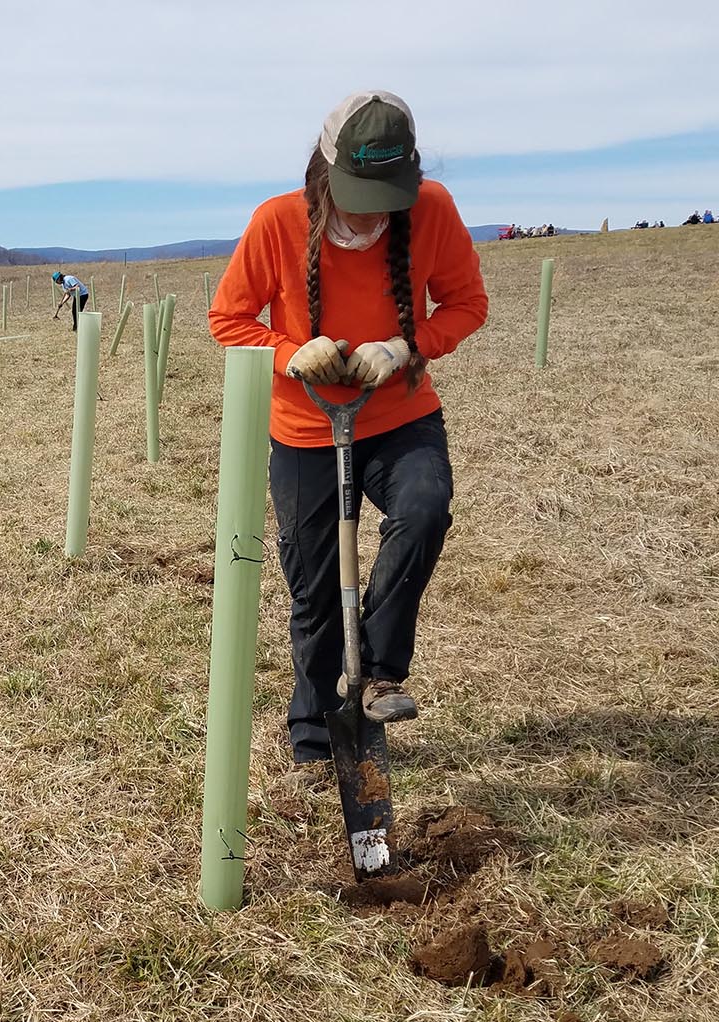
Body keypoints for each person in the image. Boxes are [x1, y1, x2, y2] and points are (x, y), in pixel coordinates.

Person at [209, 90, 488, 766]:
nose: (372, 211)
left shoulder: (432, 211)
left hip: (399, 416)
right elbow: (228, 319)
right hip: (306, 428)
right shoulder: (276, 222)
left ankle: (378, 673)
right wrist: (287, 352)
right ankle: (312, 736)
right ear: (326, 170)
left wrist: (406, 347)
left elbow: (466, 303)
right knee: (315, 594)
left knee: (424, 510)